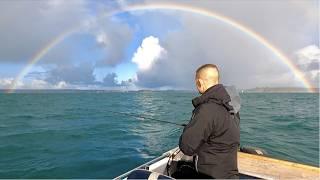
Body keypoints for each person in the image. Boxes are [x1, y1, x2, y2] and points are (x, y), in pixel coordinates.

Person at [179, 64, 240, 179]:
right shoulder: (231, 106)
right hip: (230, 174)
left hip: (210, 176)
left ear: (200, 83)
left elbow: (187, 147)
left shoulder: (206, 109)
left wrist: (188, 129)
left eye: (196, 83)